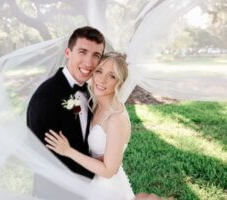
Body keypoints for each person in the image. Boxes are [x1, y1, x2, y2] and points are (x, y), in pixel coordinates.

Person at [45, 52, 164, 200]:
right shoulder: (96, 103)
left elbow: (109, 171)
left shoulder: (115, 119)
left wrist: (67, 151)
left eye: (112, 76)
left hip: (105, 189)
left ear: (120, 82)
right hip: (89, 178)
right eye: (99, 71)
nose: (102, 79)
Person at [26, 26, 105, 199]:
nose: (89, 62)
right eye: (82, 52)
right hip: (58, 192)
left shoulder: (91, 91)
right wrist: (97, 169)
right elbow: (47, 158)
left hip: (86, 189)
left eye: (96, 55)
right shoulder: (45, 97)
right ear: (68, 52)